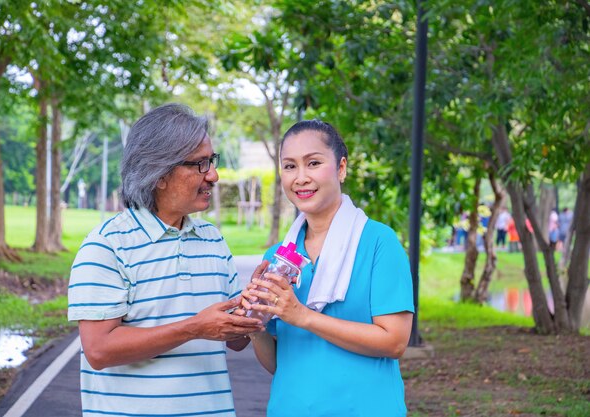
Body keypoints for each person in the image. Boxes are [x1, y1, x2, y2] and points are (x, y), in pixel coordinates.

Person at [67, 104, 262, 416]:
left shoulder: (213, 239)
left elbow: (233, 341)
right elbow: (99, 350)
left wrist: (254, 306)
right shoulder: (107, 246)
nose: (213, 175)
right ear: (158, 174)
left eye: (211, 161)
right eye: (200, 164)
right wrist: (195, 327)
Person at [239, 120, 414, 416]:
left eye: (314, 163)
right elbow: (280, 364)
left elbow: (395, 342)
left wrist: (302, 316)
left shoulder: (378, 242)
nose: (301, 178)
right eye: (290, 166)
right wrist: (256, 325)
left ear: (341, 168)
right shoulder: (278, 257)